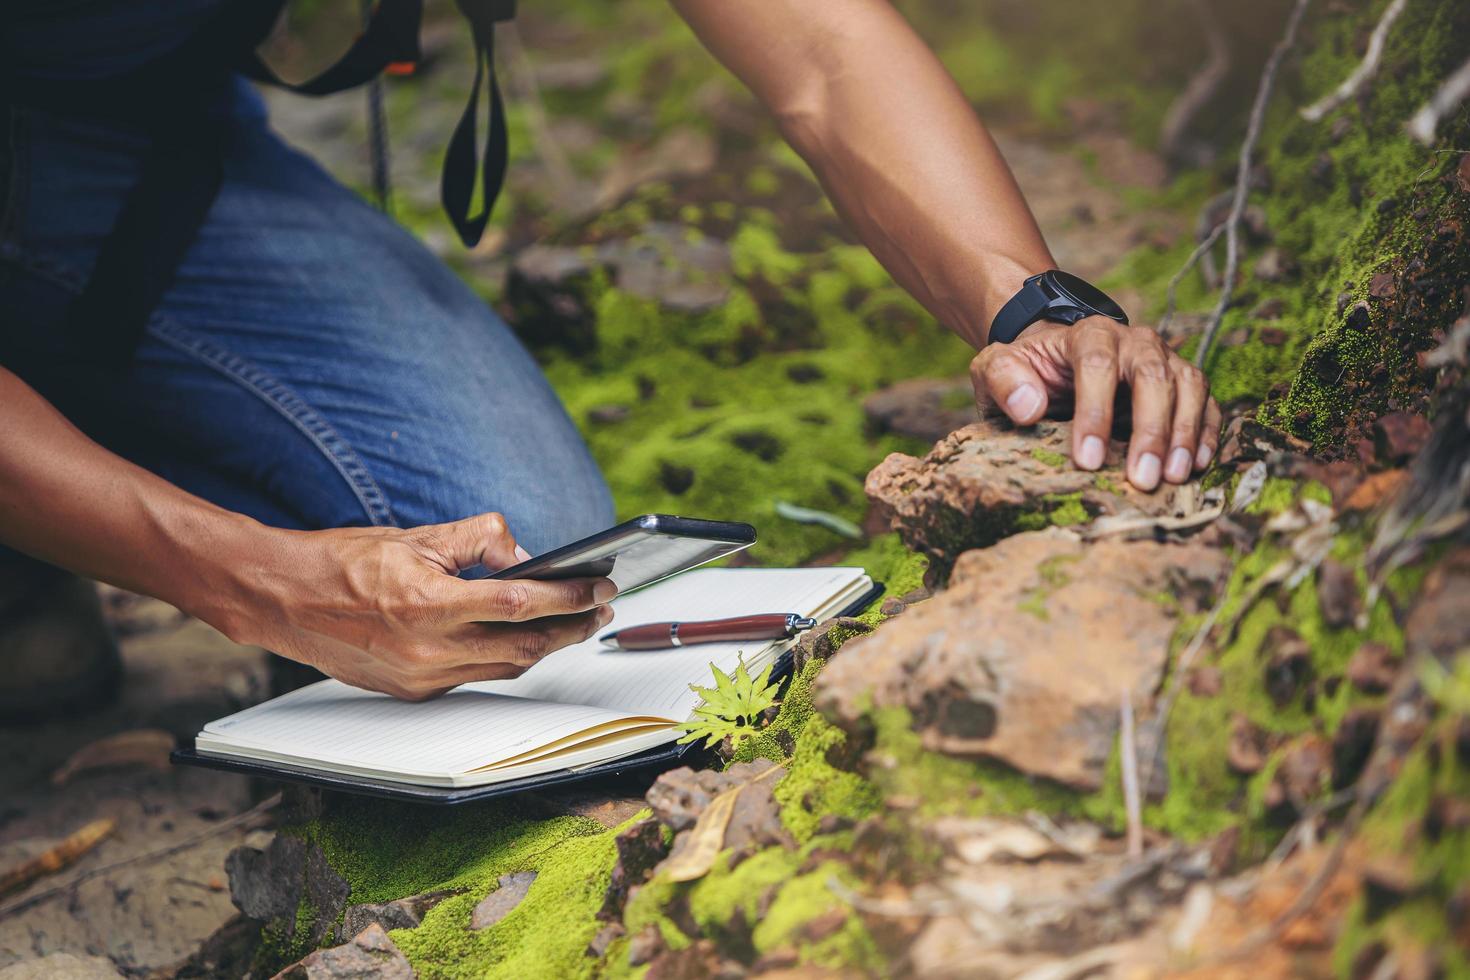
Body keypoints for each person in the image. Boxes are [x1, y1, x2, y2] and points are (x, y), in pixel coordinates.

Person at [0, 0, 1220, 716]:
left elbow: (820, 54)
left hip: (142, 153)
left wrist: (1030, 305)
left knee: (517, 605)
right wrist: (254, 579)